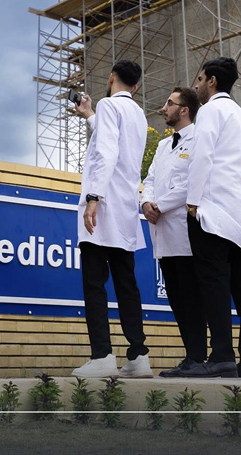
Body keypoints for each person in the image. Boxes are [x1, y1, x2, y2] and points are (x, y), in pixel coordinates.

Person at [184, 57, 241, 379]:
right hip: (240, 212)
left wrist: (192, 203)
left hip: (212, 212)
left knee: (214, 286)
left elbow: (201, 156)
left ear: (212, 81)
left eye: (200, 79)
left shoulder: (210, 111)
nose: (197, 86)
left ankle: (221, 356)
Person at [72, 60, 151, 378]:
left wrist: (93, 198)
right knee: (127, 285)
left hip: (103, 206)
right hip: (125, 210)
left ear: (111, 78)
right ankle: (139, 355)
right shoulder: (138, 113)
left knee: (94, 283)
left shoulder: (108, 106)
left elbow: (106, 152)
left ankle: (102, 355)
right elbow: (115, 142)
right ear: (136, 86)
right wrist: (90, 115)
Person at [140, 87, 207, 377]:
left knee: (192, 298)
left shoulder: (199, 139)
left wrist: (160, 205)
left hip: (184, 230)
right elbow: (150, 179)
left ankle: (198, 357)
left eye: (170, 103)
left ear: (184, 110)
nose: (164, 108)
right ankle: (191, 356)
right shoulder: (163, 145)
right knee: (177, 300)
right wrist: (146, 203)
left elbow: (193, 182)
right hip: (162, 232)